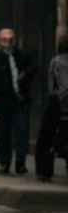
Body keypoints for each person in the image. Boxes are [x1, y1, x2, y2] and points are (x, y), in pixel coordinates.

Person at [0, 28, 36, 175]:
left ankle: (20, 163)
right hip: (2, 101)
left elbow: (33, 68)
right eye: (4, 40)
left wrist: (24, 76)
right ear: (0, 41)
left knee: (22, 132)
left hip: (20, 100)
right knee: (4, 133)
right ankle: (5, 163)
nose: (8, 43)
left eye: (10, 39)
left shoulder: (22, 55)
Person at [35, 36, 68, 182]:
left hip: (58, 102)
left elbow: (61, 86)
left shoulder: (57, 61)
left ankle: (44, 170)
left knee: (46, 137)